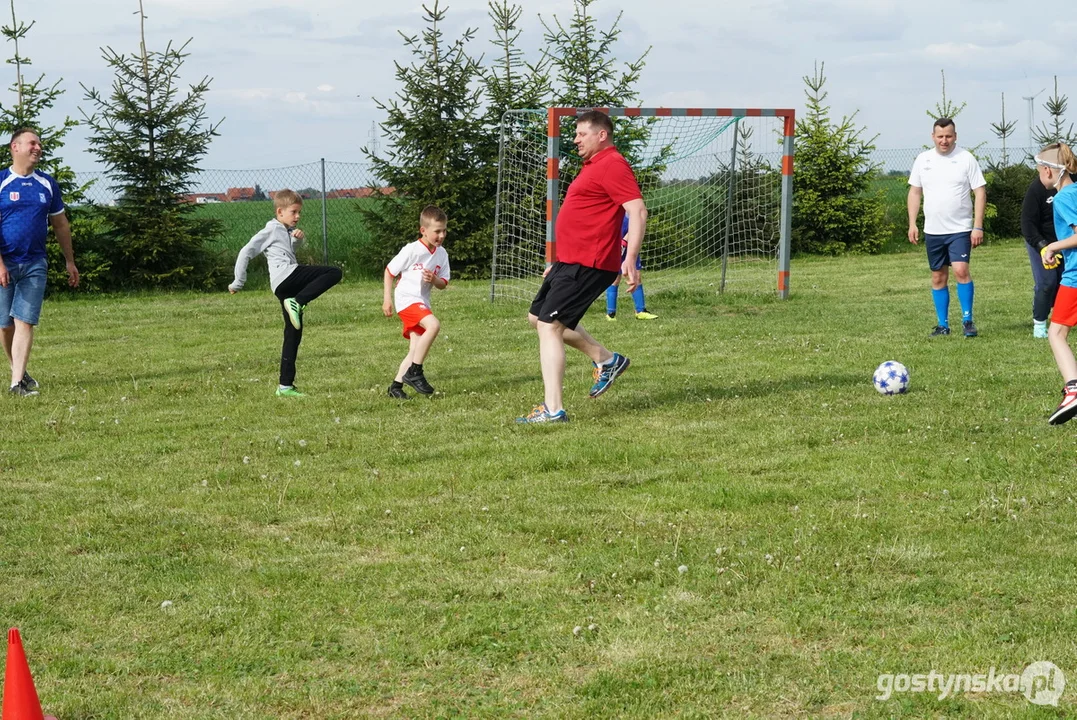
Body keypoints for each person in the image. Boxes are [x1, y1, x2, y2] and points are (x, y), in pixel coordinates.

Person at [518, 110, 647, 423]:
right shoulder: (593, 166)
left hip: (590, 262)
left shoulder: (613, 164)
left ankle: (553, 410)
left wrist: (629, 258)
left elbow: (638, 211)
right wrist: (559, 262)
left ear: (601, 135)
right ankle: (607, 360)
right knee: (538, 318)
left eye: (581, 134)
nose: (574, 139)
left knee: (550, 326)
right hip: (570, 261)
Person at [229, 189, 341, 397]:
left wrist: (296, 240)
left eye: (299, 212)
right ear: (280, 211)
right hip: (286, 278)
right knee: (333, 272)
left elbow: (287, 252)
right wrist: (238, 281)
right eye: (294, 212)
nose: (298, 217)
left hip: (285, 285)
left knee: (293, 334)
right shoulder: (271, 229)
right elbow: (246, 251)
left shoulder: (285, 231)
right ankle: (298, 302)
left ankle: (285, 386)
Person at [0, 128, 79, 397]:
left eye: (40, 144)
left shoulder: (46, 184)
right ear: (15, 147)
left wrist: (70, 261)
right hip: (5, 264)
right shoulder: (1, 182)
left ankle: (16, 383)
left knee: (25, 321)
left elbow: (60, 224)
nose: (38, 147)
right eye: (32, 143)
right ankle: (17, 371)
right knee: (5, 324)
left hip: (35, 263)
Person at [907, 117, 986, 338]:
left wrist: (977, 226)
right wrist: (912, 223)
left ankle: (967, 321)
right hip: (933, 230)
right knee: (938, 278)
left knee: (961, 270)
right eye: (940, 136)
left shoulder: (966, 158)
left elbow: (980, 191)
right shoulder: (923, 160)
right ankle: (942, 325)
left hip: (960, 228)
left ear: (955, 136)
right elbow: (915, 192)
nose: (944, 141)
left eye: (948, 136)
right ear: (933, 137)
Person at [383, 205, 450, 399]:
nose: (442, 235)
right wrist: (387, 299)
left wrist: (434, 280)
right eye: (437, 231)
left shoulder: (441, 254)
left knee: (415, 347)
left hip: (422, 303)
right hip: (407, 300)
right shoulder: (411, 250)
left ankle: (395, 387)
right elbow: (389, 272)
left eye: (444, 230)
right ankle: (415, 372)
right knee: (434, 325)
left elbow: (443, 283)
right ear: (423, 230)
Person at [1036, 143, 1077, 424]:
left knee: (1056, 334)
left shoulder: (1063, 199)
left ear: (1049, 171)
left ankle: (1073, 390)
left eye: (1039, 170)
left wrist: (1052, 246)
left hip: (1075, 279)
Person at [1022, 158, 1063, 338]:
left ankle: (1062, 319)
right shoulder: (1036, 190)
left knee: (1066, 282)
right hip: (1041, 241)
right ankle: (1039, 324)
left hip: (1067, 241)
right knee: (1047, 282)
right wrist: (1043, 247)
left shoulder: (1072, 184)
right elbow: (1027, 225)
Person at [605, 215, 657, 321]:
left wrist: (625, 241)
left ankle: (641, 311)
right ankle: (610, 313)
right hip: (614, 242)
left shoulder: (632, 206)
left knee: (636, 274)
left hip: (629, 245)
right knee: (615, 277)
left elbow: (638, 221)